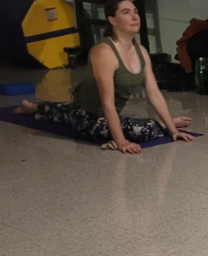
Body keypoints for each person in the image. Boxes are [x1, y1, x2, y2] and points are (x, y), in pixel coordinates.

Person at [13, 0, 194, 154]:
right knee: (144, 130)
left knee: (70, 111)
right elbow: (106, 102)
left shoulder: (142, 52)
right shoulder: (104, 52)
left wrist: (173, 129)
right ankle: (158, 124)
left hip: (89, 106)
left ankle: (32, 107)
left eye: (135, 12)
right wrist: (121, 141)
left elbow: (154, 93)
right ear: (112, 20)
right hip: (91, 116)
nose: (134, 17)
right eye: (126, 12)